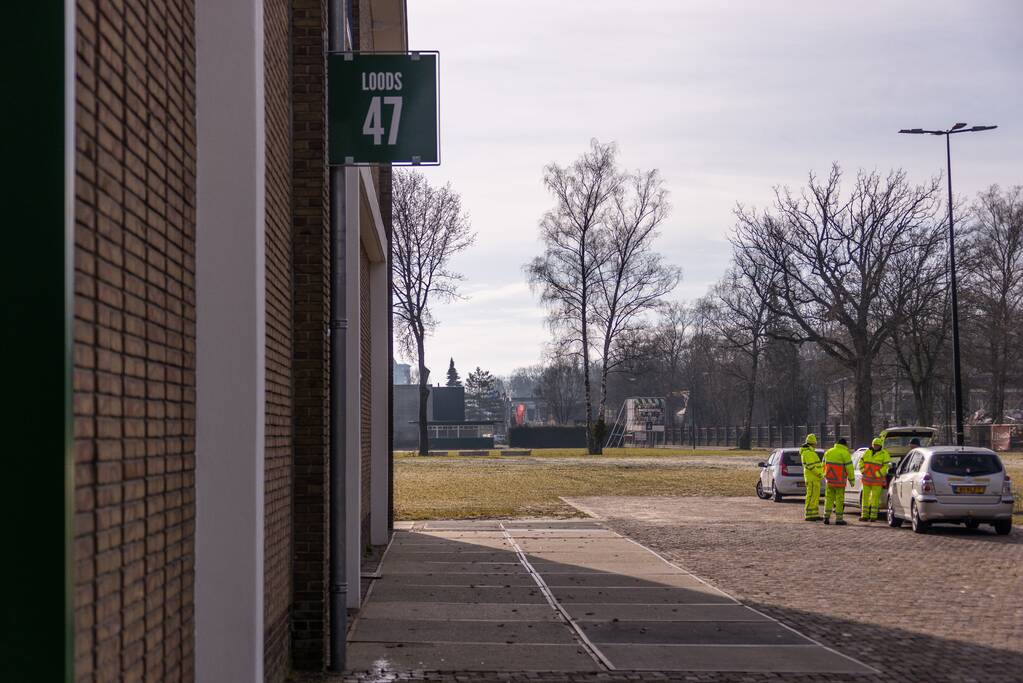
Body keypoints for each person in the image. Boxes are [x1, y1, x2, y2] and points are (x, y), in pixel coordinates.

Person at [822, 437, 854, 525]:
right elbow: (849, 468)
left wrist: (825, 476)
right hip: (840, 481)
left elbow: (823, 465)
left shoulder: (828, 452)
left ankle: (826, 517)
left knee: (829, 498)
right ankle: (839, 519)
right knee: (839, 500)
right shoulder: (845, 453)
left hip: (829, 480)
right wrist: (852, 480)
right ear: (845, 445)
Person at [858, 437, 891, 521]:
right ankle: (864, 515)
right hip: (866, 480)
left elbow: (886, 467)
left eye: (877, 445)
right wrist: (862, 470)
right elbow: (860, 462)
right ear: (872, 445)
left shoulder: (884, 454)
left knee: (875, 498)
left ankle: (873, 516)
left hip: (877, 480)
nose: (875, 446)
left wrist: (878, 474)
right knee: (865, 498)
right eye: (874, 445)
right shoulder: (867, 452)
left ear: (880, 446)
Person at [800, 433, 823, 521]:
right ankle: (809, 515)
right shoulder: (807, 453)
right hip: (812, 478)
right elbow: (811, 466)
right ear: (812, 443)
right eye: (815, 443)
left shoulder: (810, 452)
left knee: (815, 497)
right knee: (811, 496)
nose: (816, 445)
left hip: (815, 478)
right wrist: (820, 474)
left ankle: (814, 514)